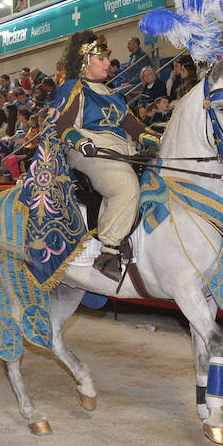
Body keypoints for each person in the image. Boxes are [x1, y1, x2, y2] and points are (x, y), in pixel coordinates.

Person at [55, 30, 159, 281]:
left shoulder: (113, 95)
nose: (107, 64)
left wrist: (157, 139)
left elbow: (134, 127)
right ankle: (109, 252)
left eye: (106, 59)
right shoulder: (73, 88)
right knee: (125, 187)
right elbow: (62, 125)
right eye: (100, 59)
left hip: (121, 151)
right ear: (84, 62)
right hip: (90, 151)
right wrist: (81, 143)